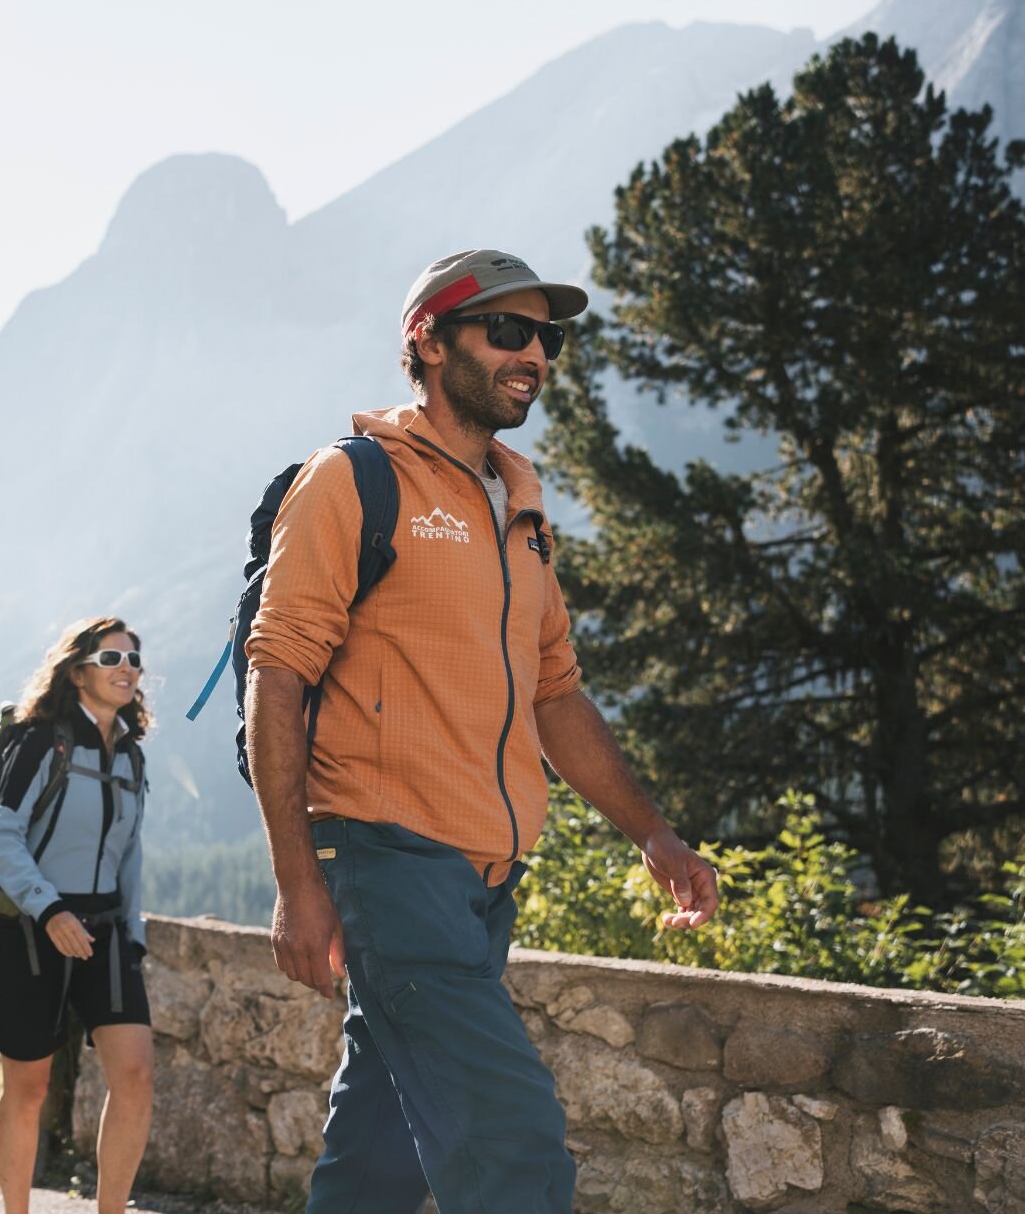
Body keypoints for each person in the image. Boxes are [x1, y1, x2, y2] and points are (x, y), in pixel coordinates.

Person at [244, 249, 722, 1214]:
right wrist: (299, 882)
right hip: (386, 863)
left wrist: (653, 832)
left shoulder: (523, 507)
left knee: (374, 1161)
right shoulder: (352, 482)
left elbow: (556, 695)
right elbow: (278, 674)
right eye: (508, 330)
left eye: (548, 336)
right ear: (426, 341)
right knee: (513, 1143)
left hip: (483, 885)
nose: (535, 354)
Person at [0, 617, 152, 1214]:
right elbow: (3, 837)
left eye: (133, 658)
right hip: (35, 927)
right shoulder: (42, 742)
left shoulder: (130, 758)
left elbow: (130, 854)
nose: (127, 668)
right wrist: (49, 908)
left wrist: (133, 937)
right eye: (111, 658)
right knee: (27, 1090)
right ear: (78, 671)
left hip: (105, 931)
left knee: (134, 1076)